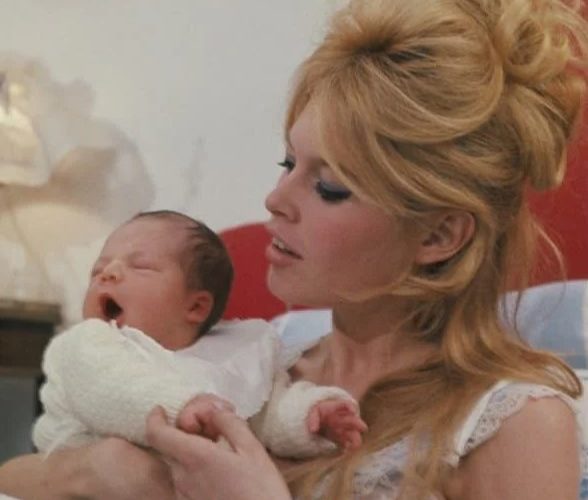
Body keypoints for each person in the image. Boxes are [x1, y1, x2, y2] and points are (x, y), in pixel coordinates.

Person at [0, 0, 587, 498]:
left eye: (329, 187)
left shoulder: (516, 424)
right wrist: (99, 470)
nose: (276, 199)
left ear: (437, 235)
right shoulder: (256, 358)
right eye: (288, 163)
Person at [32, 209, 366, 458]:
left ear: (195, 306)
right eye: (99, 270)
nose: (108, 274)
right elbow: (113, 389)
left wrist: (310, 417)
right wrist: (181, 407)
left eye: (140, 266)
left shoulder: (232, 354)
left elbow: (262, 415)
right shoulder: (89, 345)